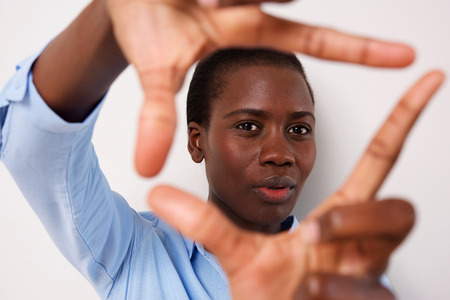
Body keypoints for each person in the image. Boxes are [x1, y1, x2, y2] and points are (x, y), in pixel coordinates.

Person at [0, 0, 444, 299]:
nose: (281, 153)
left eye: (299, 129)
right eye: (249, 126)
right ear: (198, 141)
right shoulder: (134, 251)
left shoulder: (344, 274)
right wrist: (110, 19)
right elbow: (36, 144)